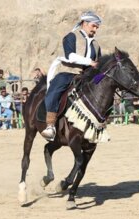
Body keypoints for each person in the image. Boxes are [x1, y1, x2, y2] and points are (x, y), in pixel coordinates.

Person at [42, 11, 102, 140]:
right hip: (67, 72)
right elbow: (71, 56)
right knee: (55, 90)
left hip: (86, 76)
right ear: (85, 23)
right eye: (94, 26)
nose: (95, 29)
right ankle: (50, 125)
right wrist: (90, 62)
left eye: (97, 27)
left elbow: (99, 64)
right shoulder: (71, 36)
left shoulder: (96, 45)